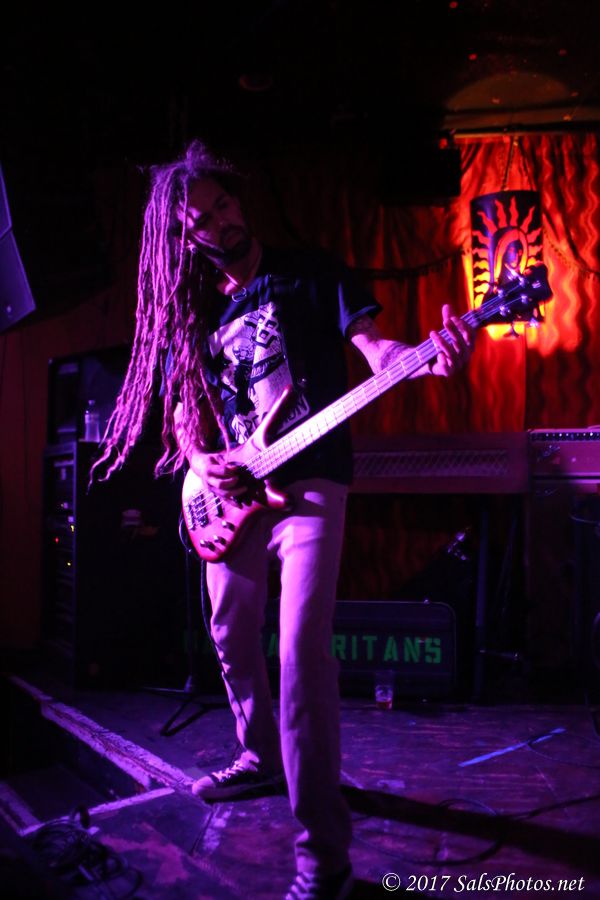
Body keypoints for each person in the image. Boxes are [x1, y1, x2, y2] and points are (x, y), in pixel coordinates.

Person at [93, 141, 474, 900]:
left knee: (301, 654)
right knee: (231, 635)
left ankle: (322, 860)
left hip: (311, 483)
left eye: (224, 203)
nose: (222, 221)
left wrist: (424, 356)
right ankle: (259, 756)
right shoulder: (190, 316)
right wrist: (202, 461)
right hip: (231, 497)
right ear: (183, 239)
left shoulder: (310, 271)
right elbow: (182, 416)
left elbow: (375, 348)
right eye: (202, 219)